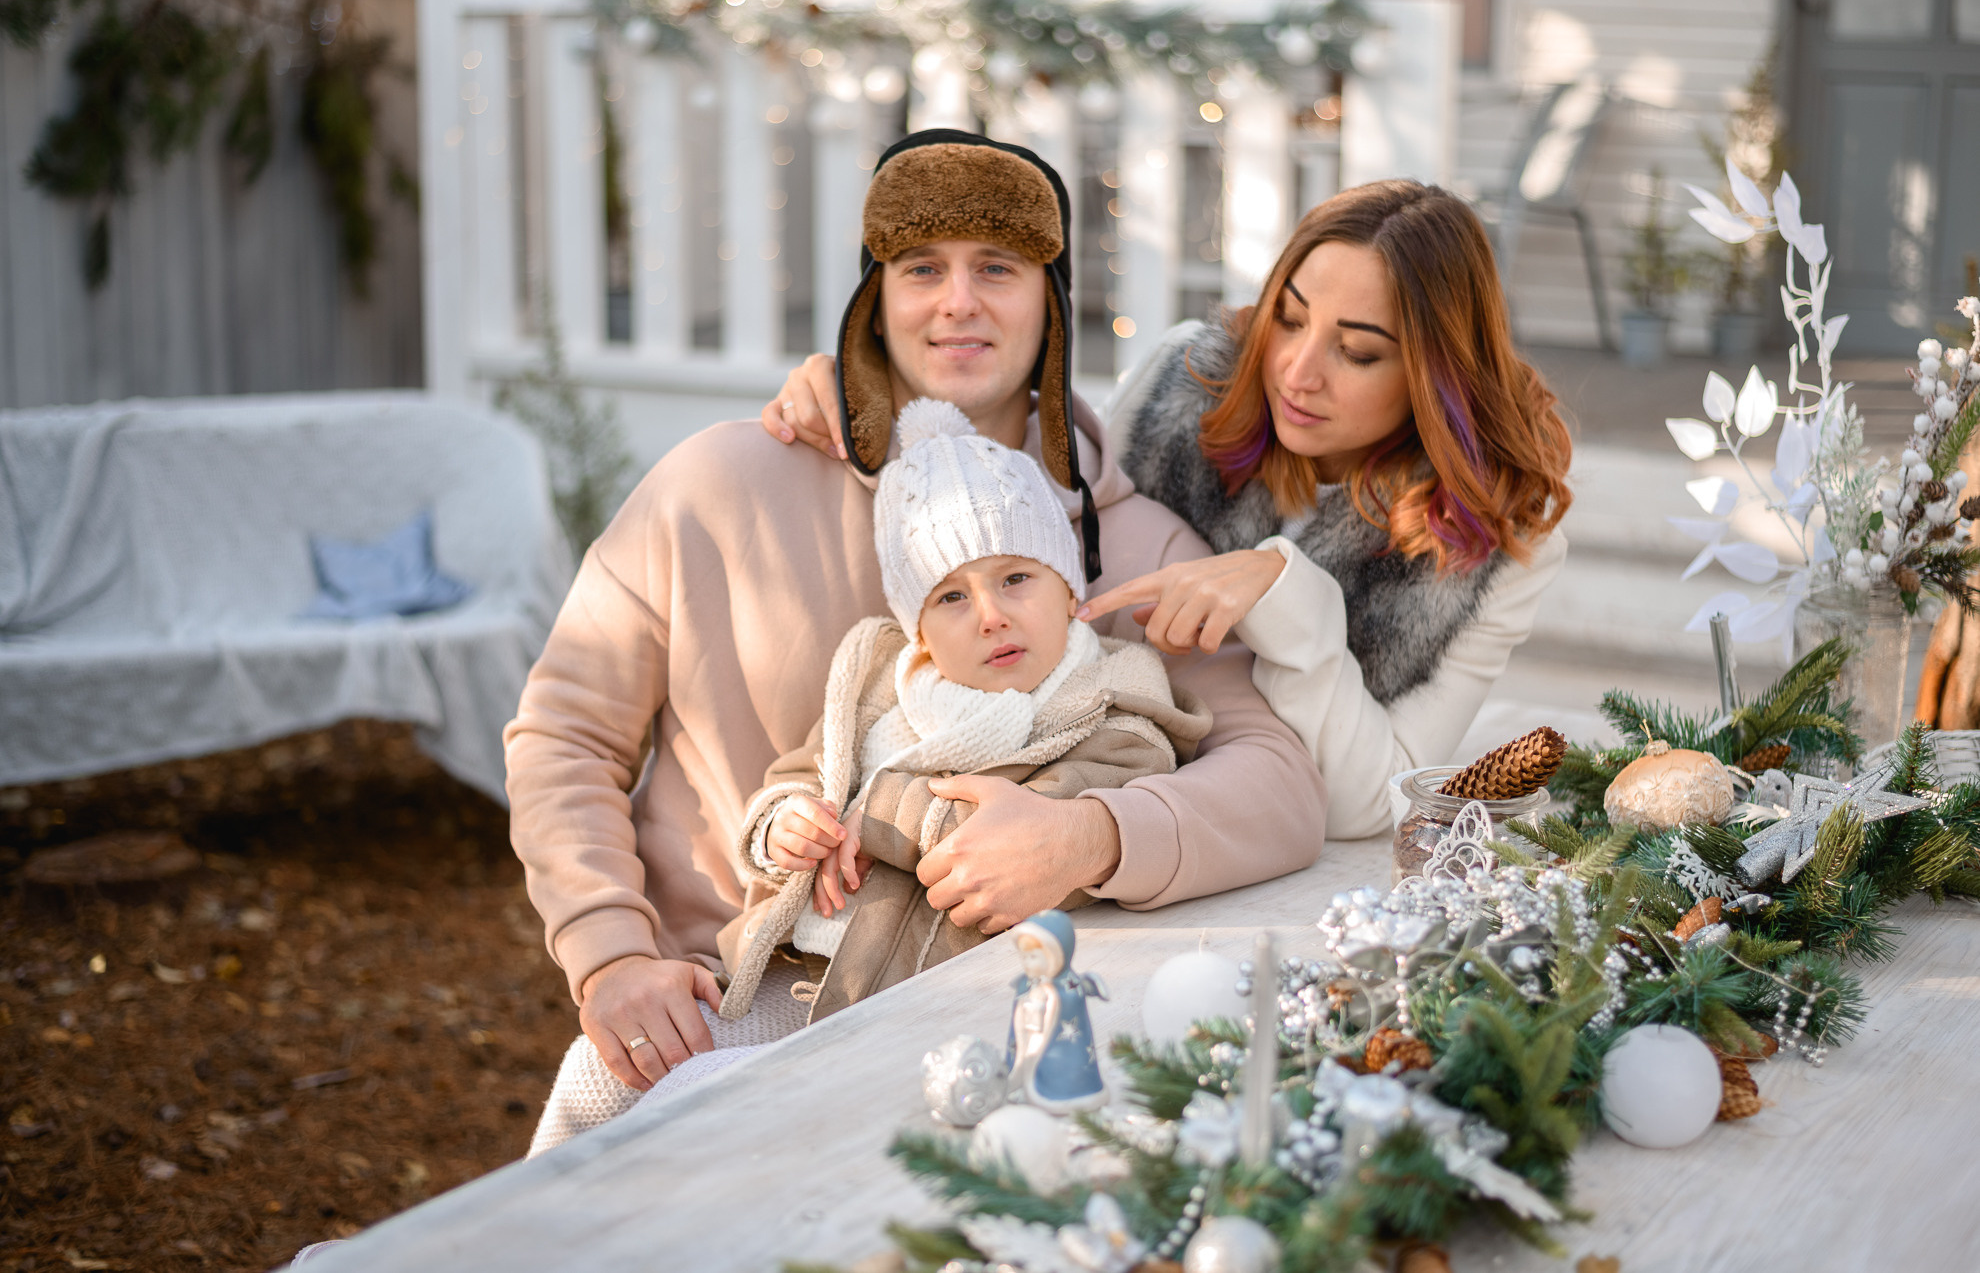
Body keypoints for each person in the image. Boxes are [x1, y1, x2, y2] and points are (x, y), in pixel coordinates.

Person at [505, 129, 1326, 1126]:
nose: (959, 302)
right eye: (921, 268)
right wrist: (612, 952)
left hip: (984, 1023)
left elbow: (1277, 781)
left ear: (1052, 302)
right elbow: (564, 732)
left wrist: (1094, 835)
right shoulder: (719, 485)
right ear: (874, 297)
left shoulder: (1129, 541)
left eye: (999, 268)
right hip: (721, 993)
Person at [767, 180, 1573, 842]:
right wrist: (869, 387)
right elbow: (1036, 501)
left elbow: (1374, 804)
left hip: (1256, 856)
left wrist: (1285, 595)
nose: (1295, 370)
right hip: (1092, 791)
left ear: (1435, 374)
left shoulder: (1501, 534)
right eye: (1288, 318)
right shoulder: (1186, 385)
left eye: (1357, 351)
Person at [722, 396, 1209, 1021]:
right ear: (918, 631)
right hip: (797, 967)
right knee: (620, 1086)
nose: (990, 616)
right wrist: (786, 825)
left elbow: (1048, 827)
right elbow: (797, 777)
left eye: (1015, 580)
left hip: (949, 999)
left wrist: (872, 814)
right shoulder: (880, 687)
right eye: (951, 597)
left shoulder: (1110, 701)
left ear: (1068, 591)